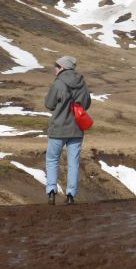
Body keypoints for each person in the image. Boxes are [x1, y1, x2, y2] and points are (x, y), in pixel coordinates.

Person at [44, 55, 91, 205]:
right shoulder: (81, 83)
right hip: (76, 130)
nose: (54, 69)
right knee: (73, 163)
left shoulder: (58, 83)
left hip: (58, 129)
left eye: (56, 67)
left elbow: (49, 104)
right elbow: (87, 103)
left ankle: (51, 191)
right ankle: (71, 195)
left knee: (52, 160)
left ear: (62, 68)